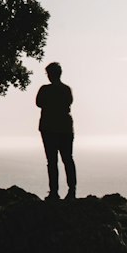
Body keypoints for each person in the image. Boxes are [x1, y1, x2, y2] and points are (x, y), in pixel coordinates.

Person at [36, 62, 77, 200]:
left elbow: (38, 103)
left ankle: (54, 191)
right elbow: (68, 102)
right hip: (65, 128)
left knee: (52, 161)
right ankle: (71, 191)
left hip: (49, 128)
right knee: (67, 159)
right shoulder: (66, 89)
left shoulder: (45, 89)